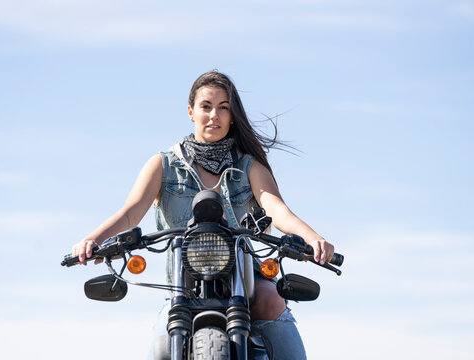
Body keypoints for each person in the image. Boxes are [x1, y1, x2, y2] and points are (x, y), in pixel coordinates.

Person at [72, 70, 335, 359]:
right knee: (161, 343)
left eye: (223, 108)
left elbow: (276, 208)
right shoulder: (164, 164)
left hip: (245, 281)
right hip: (183, 285)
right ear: (191, 112)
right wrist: (93, 239)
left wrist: (312, 237)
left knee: (271, 299)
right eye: (206, 106)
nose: (214, 115)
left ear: (232, 116)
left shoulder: (250, 167)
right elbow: (131, 212)